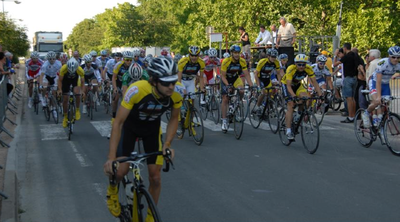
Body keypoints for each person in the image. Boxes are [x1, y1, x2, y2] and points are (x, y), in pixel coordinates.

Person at [103, 57, 182, 218]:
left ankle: (151, 216)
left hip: (152, 131)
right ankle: (112, 189)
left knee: (156, 178)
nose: (171, 87)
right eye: (166, 83)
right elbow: (118, 123)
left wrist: (167, 143)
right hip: (130, 129)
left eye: (173, 82)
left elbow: (174, 118)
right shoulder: (137, 90)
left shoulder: (177, 93)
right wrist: (111, 158)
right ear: (153, 81)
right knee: (121, 170)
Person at [281, 54, 322, 140]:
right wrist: (294, 96)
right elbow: (288, 86)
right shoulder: (291, 68)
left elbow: (315, 83)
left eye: (303, 64)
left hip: (297, 85)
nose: (301, 66)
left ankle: (298, 115)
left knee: (306, 98)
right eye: (299, 64)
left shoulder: (308, 68)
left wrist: (321, 95)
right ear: (295, 64)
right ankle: (288, 131)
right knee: (291, 104)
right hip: (287, 85)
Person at [362, 46, 400, 128]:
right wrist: (379, 96)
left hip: (385, 84)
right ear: (389, 56)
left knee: (386, 103)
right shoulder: (382, 63)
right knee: (377, 101)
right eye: (393, 57)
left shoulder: (398, 65)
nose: (396, 59)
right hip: (375, 82)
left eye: (398, 57)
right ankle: (366, 113)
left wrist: (397, 74)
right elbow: (378, 82)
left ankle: (378, 120)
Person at [220, 44, 254, 131]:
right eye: (235, 53)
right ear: (231, 53)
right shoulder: (226, 61)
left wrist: (251, 85)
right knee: (225, 98)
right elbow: (222, 76)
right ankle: (224, 120)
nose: (236, 54)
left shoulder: (242, 61)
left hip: (235, 78)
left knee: (242, 90)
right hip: (226, 79)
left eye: (238, 53)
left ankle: (237, 103)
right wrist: (227, 85)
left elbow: (246, 74)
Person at [333, 43, 360, 123]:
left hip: (348, 78)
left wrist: (335, 55)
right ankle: (354, 115)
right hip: (355, 78)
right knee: (353, 98)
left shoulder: (346, 57)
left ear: (345, 48)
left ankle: (350, 116)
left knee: (349, 98)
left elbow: (334, 64)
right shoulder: (355, 55)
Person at [57, 58, 85, 128]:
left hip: (75, 80)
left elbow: (82, 82)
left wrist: (82, 91)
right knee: (65, 99)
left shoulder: (80, 69)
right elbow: (60, 81)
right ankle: (65, 117)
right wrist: (60, 90)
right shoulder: (63, 68)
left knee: (77, 93)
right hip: (66, 80)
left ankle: (77, 110)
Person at [253, 48, 281, 113]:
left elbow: (278, 73)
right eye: (272, 57)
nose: (274, 58)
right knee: (263, 93)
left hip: (267, 79)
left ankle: (264, 106)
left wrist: (279, 83)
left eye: (275, 57)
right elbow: (256, 74)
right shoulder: (262, 62)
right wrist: (258, 86)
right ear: (268, 56)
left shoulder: (276, 62)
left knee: (270, 93)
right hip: (260, 79)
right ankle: (257, 106)